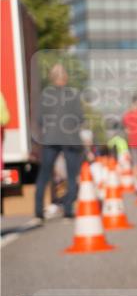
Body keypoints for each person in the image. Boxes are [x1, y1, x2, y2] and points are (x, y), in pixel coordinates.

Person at [33, 63, 85, 224]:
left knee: (44, 175)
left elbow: (40, 119)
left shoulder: (45, 95)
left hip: (50, 138)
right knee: (71, 175)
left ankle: (38, 212)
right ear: (66, 77)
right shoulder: (73, 95)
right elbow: (80, 117)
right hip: (70, 139)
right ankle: (68, 210)